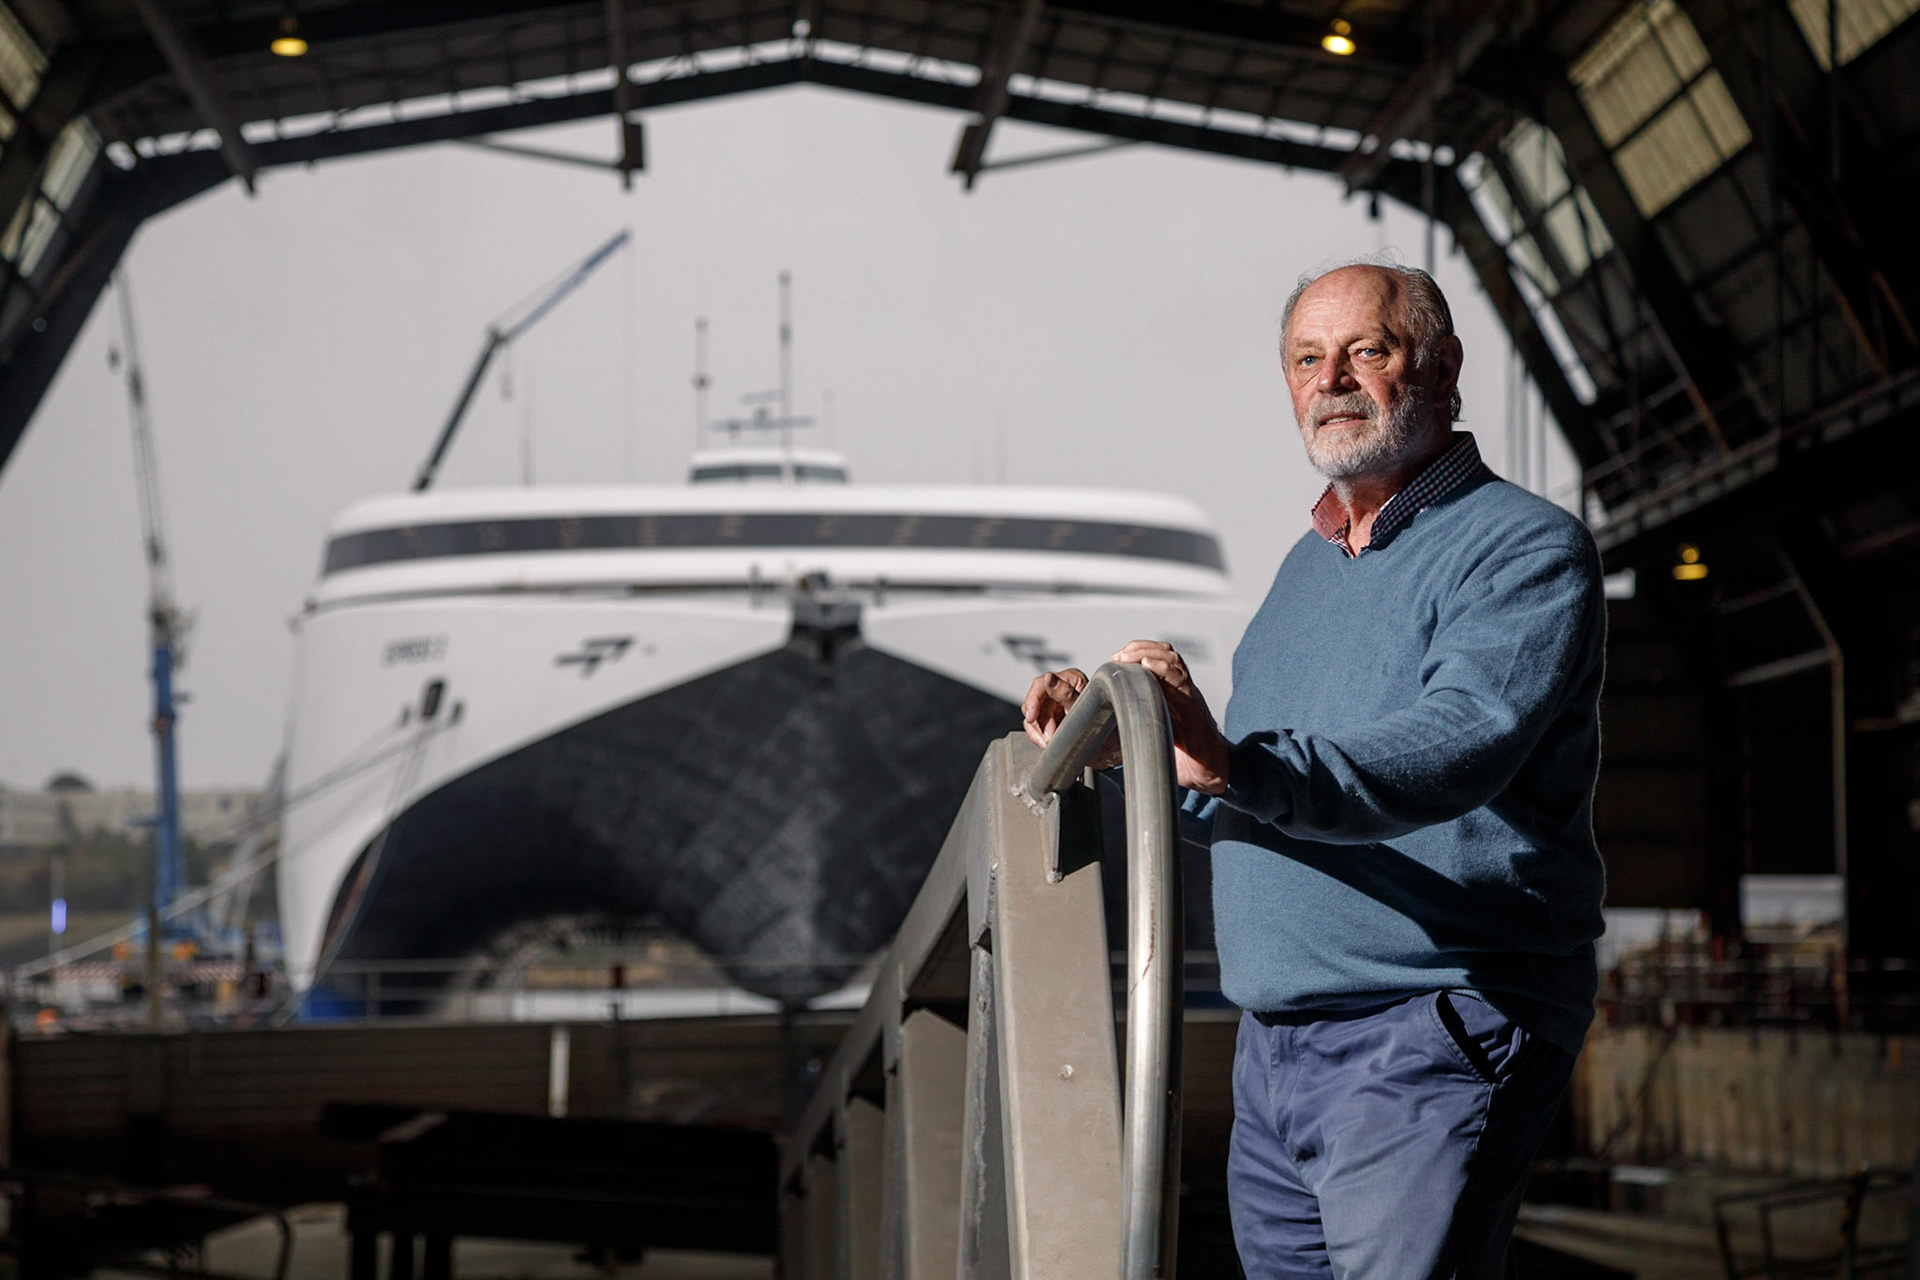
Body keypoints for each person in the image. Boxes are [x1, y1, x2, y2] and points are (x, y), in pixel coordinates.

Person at [1021, 260, 1606, 1278]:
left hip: (1428, 1019)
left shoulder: (1523, 549)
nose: (1330, 377)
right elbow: (1252, 795)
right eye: (1306, 357)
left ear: (1441, 365)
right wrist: (1137, 755)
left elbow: (1454, 746)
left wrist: (1235, 761)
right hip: (1277, 1049)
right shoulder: (1301, 576)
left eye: (1364, 350)